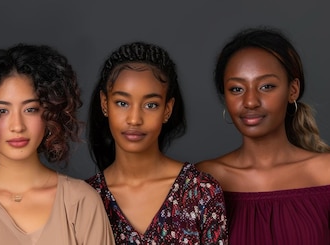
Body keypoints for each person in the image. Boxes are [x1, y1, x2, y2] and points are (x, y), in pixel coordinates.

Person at [0, 43, 114, 245]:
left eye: (30, 109)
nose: (17, 126)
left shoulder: (81, 203)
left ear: (50, 113)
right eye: (1, 111)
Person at [196, 27, 330, 244]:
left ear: (292, 90)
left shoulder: (326, 173)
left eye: (266, 86)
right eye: (237, 89)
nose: (250, 101)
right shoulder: (204, 180)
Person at [86, 41, 228, 244]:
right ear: (104, 104)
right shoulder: (84, 199)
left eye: (151, 105)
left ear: (167, 110)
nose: (134, 119)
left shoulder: (201, 192)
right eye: (122, 103)